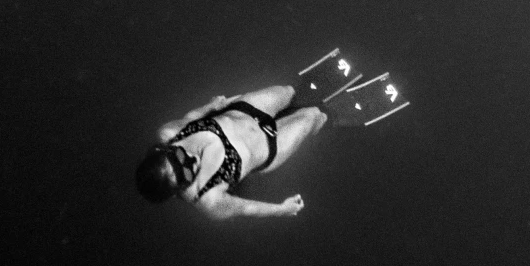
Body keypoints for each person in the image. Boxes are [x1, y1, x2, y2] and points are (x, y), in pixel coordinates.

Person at [135, 49, 408, 220]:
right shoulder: (208, 199)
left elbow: (192, 118)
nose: (190, 162)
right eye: (184, 174)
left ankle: (299, 97)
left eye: (179, 157)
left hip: (243, 111)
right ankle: (330, 114)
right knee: (313, 116)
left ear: (164, 149)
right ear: (176, 193)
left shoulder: (169, 132)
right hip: (268, 148)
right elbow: (246, 208)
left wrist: (212, 105)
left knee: (289, 92)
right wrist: (282, 209)